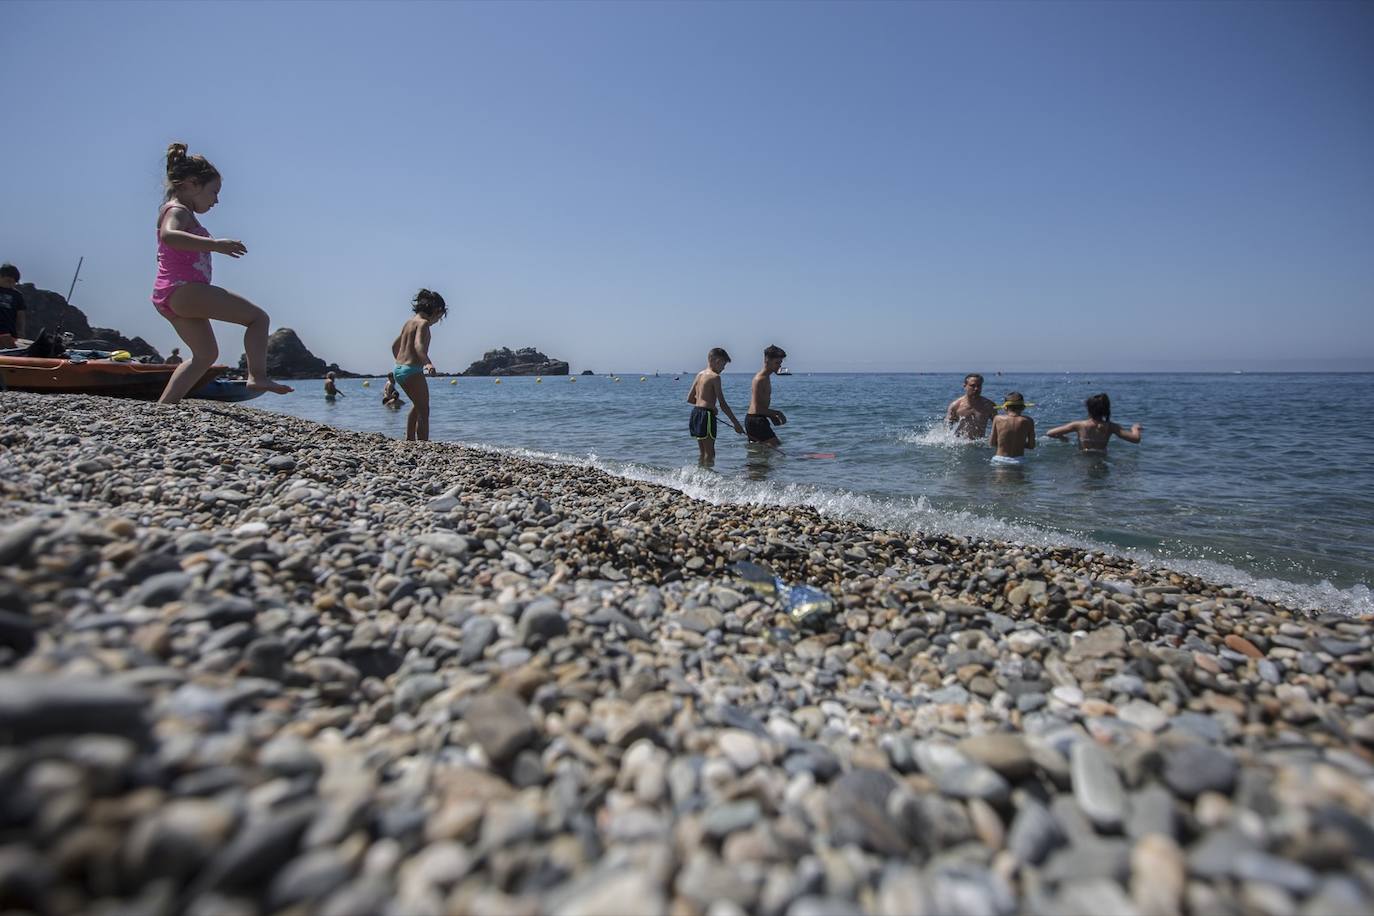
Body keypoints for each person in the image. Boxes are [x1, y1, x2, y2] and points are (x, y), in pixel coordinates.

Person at [150, 142, 293, 404]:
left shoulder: (176, 209)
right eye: (214, 192)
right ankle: (257, 376)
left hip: (169, 294)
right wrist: (215, 245)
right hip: (183, 289)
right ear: (192, 184)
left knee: (204, 355)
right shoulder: (178, 210)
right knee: (258, 318)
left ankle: (165, 407)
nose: (216, 199)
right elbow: (169, 236)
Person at [391, 289, 447, 441]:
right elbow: (418, 346)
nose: (437, 322)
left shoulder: (408, 323)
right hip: (412, 370)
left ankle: (410, 439)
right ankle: (423, 443)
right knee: (424, 410)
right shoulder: (423, 324)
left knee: (417, 405)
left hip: (399, 369)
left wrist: (401, 363)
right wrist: (428, 364)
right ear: (436, 311)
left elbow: (394, 346)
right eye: (439, 318)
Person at [686, 347, 745, 465]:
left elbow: (690, 399)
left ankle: (699, 477)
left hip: (696, 414)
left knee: (703, 453)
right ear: (717, 361)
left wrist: (706, 405)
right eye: (723, 365)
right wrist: (736, 424)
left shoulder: (699, 374)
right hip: (706, 416)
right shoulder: (715, 377)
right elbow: (723, 404)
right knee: (710, 453)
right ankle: (707, 480)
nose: (723, 369)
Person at [1047, 393, 1142, 451]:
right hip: (1101, 459)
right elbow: (1136, 439)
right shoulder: (1111, 427)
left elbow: (1050, 433)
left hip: (1083, 459)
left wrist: (1063, 438)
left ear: (1089, 409)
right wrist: (1135, 428)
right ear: (1106, 410)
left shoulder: (1079, 425)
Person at [745, 345, 788, 447]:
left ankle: (755, 463)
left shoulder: (766, 377)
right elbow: (756, 409)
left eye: (780, 363)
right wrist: (778, 413)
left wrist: (770, 415)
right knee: (776, 447)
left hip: (758, 419)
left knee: (763, 451)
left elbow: (761, 407)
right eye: (777, 363)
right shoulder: (760, 379)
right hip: (755, 420)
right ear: (767, 360)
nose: (779, 366)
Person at [946, 373, 998, 439]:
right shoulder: (955, 406)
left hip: (979, 444)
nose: (976, 388)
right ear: (965, 386)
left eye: (979, 386)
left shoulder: (989, 406)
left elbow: (998, 427)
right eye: (972, 386)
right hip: (960, 444)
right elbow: (947, 429)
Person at [989, 392, 1036, 464]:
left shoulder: (998, 419)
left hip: (1000, 459)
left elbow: (992, 443)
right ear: (1023, 407)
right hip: (1019, 460)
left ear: (1005, 407)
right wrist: (1018, 443)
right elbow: (1031, 446)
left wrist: (1005, 443)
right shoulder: (1028, 420)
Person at [0, 263, 27, 349]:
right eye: (8, 280)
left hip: (10, 332)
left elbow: (21, 315)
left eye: (14, 281)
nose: (11, 283)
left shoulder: (17, 295)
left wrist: (21, 331)